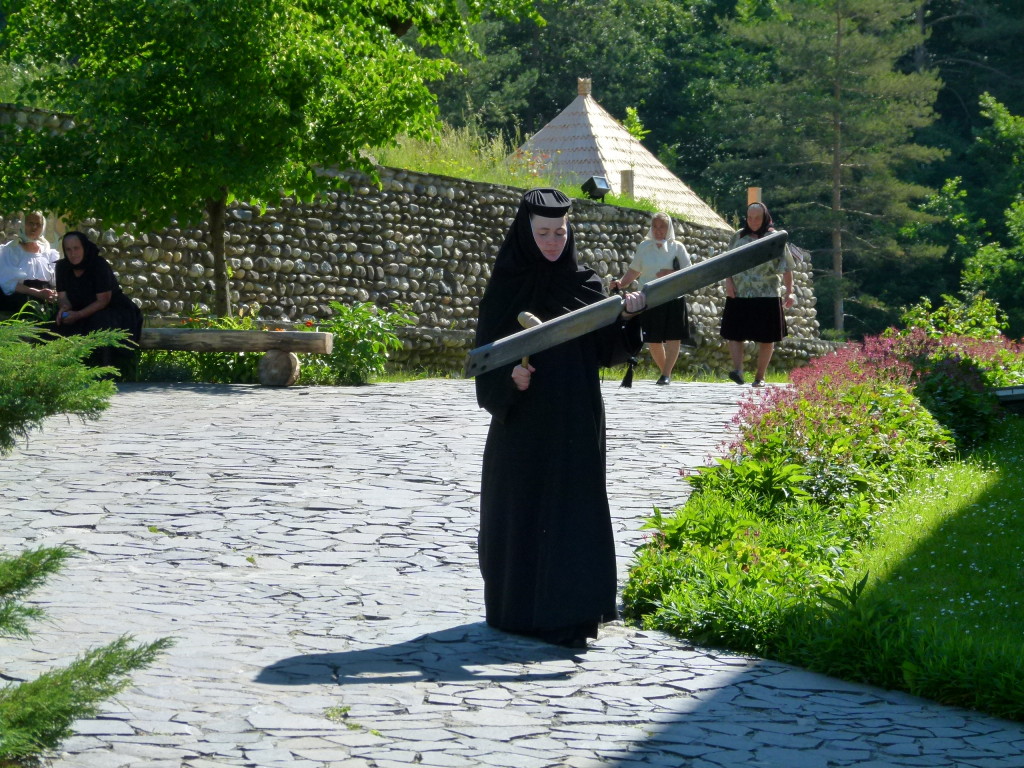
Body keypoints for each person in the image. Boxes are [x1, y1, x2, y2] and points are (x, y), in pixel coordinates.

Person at [474, 188, 646, 650]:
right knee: (525, 509)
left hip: (575, 417)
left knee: (573, 509)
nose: (553, 240)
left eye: (560, 231)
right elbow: (484, 363)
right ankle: (520, 612)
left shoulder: (585, 285)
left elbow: (605, 349)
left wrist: (628, 319)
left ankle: (572, 614)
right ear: (527, 233)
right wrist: (511, 379)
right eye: (544, 232)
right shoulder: (507, 287)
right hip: (524, 425)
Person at [609, 212, 692, 384]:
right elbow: (635, 269)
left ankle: (666, 374)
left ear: (669, 228)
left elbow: (689, 272)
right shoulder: (644, 247)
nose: (658, 230)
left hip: (673, 297)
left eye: (662, 226)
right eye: (655, 226)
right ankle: (665, 372)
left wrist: (669, 273)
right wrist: (621, 283)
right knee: (653, 339)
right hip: (650, 297)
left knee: (672, 336)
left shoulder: (677, 247)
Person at [719, 202, 795, 387]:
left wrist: (789, 292)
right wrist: (728, 282)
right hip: (740, 292)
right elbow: (727, 262)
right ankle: (738, 370)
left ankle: (760, 377)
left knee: (766, 338)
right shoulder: (738, 236)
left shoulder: (775, 238)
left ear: (765, 218)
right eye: (750, 217)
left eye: (757, 218)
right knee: (734, 334)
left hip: (767, 294)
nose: (753, 221)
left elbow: (787, 268)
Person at [54, 230, 143, 368]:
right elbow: (62, 297)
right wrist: (65, 308)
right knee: (55, 326)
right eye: (68, 249)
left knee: (100, 323)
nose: (73, 253)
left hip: (112, 310)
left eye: (76, 248)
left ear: (84, 247)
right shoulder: (62, 267)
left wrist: (78, 315)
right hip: (79, 311)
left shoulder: (98, 265)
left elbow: (103, 300)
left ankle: (105, 369)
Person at [0, 211, 60, 313]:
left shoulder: (48, 251)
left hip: (44, 304)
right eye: (30, 223)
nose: (34, 227)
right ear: (23, 224)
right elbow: (8, 283)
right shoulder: (12, 249)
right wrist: (38, 293)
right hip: (19, 304)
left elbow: (55, 281)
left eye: (38, 224)